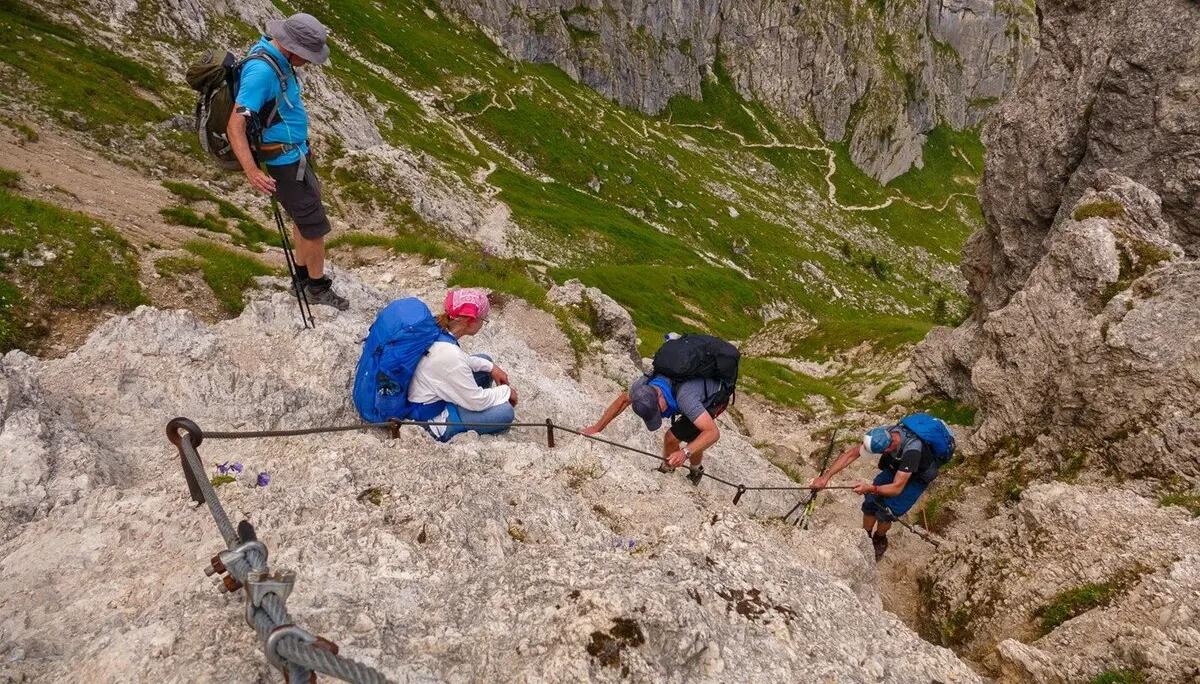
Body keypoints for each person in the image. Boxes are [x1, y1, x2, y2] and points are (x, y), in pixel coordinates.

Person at [227, 12, 348, 311]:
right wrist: (252, 171)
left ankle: (302, 279)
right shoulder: (262, 72)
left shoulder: (276, 59)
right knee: (315, 226)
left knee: (303, 219)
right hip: (285, 161)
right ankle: (316, 288)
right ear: (290, 46)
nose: (307, 62)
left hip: (295, 155)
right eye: (306, 56)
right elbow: (235, 125)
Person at [583, 336, 736, 485]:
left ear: (660, 395)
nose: (661, 415)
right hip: (690, 392)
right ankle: (673, 467)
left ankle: (695, 469)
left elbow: (712, 433)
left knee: (679, 437)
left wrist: (685, 453)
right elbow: (622, 401)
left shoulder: (685, 398)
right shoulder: (643, 385)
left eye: (659, 411)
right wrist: (597, 428)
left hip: (715, 397)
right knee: (680, 436)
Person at [809, 423, 943, 561]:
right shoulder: (882, 433)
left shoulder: (912, 451)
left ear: (888, 448)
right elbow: (851, 454)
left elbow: (896, 488)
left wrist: (871, 488)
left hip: (916, 478)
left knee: (887, 511)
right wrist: (825, 478)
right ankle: (865, 535)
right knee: (870, 503)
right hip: (895, 468)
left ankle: (879, 538)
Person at [407, 289, 517, 441]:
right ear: (471, 321)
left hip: (426, 394)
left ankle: (471, 408)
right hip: (433, 420)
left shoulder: (436, 330)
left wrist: (492, 368)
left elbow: (462, 360)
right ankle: (459, 424)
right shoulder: (451, 356)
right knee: (505, 412)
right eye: (483, 320)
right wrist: (506, 392)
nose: (482, 324)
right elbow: (477, 401)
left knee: (485, 361)